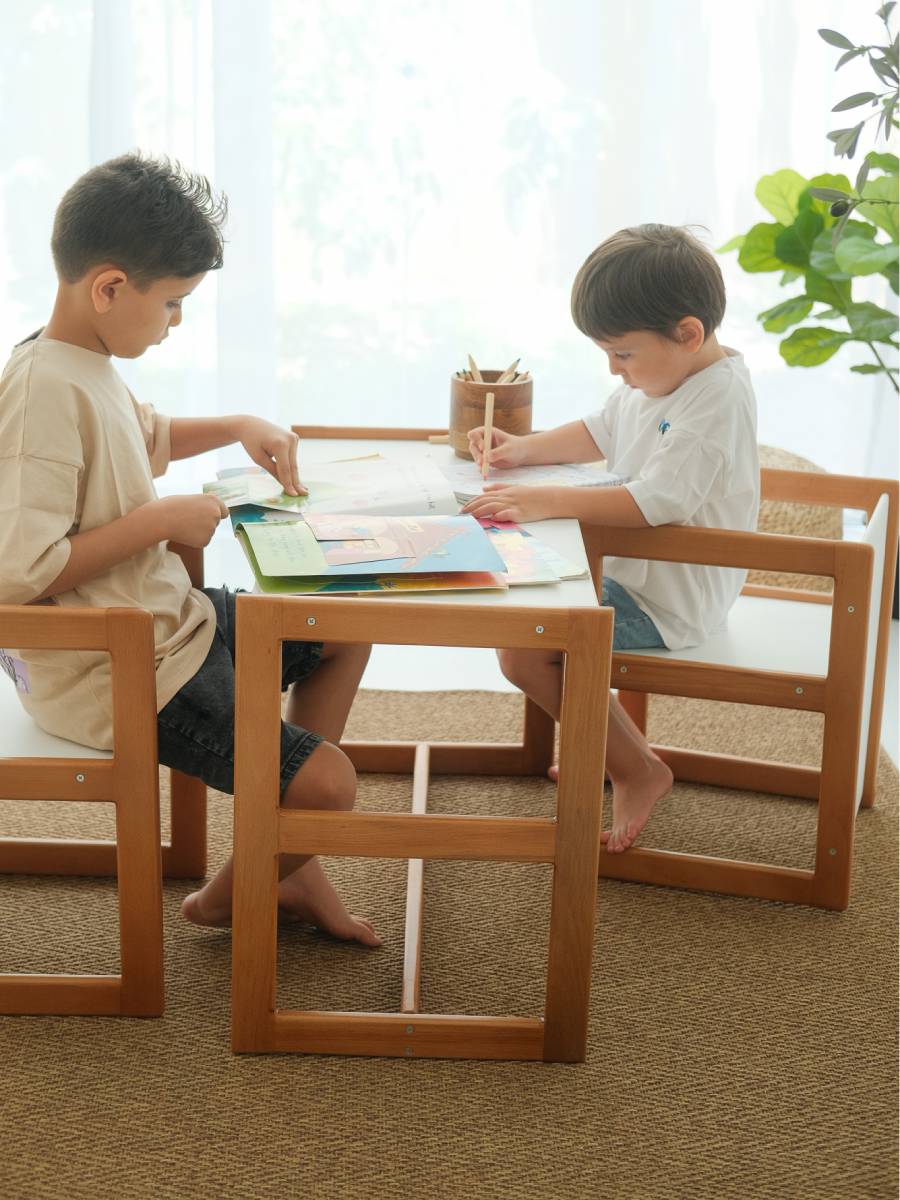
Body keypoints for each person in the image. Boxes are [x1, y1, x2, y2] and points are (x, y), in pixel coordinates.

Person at [0, 152, 380, 946]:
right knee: (329, 785)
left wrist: (242, 424)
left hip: (168, 625)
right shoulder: (41, 392)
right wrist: (162, 522)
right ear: (109, 287)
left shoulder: (86, 360)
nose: (175, 323)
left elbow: (149, 439)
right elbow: (17, 578)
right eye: (172, 304)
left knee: (344, 630)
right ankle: (239, 890)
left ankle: (290, 858)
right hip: (118, 670)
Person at [464, 224, 759, 853]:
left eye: (622, 354)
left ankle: (636, 767)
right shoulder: (663, 378)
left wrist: (547, 499)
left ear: (688, 334)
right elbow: (604, 426)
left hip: (669, 595)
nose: (613, 369)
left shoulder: (716, 403)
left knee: (525, 648)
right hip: (631, 570)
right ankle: (608, 744)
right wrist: (526, 451)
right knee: (518, 613)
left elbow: (659, 501)